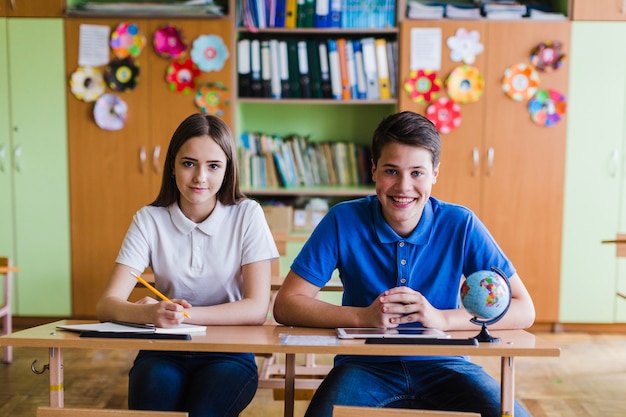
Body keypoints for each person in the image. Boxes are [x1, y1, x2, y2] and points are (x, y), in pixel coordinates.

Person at [273, 111, 536, 417]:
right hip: (363, 364)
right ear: (373, 170)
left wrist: (442, 320)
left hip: (446, 365)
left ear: (435, 174)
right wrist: (363, 318)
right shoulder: (342, 220)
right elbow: (286, 304)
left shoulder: (460, 223)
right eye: (391, 171)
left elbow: (523, 308)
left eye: (417, 173)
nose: (403, 186)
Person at [97, 113, 279, 417]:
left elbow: (256, 308)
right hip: (163, 351)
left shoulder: (247, 214)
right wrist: (148, 313)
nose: (200, 178)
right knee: (154, 401)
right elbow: (106, 305)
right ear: (171, 166)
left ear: (227, 170)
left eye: (213, 166)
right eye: (188, 163)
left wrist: (184, 315)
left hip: (229, 354)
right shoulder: (149, 219)